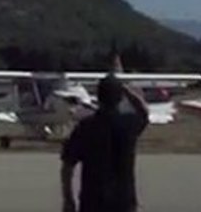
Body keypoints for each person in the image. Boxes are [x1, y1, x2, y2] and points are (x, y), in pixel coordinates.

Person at [60, 73, 150, 212]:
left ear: (98, 97)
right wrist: (126, 90)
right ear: (120, 98)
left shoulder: (85, 127)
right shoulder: (128, 124)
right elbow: (144, 112)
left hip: (92, 201)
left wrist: (68, 198)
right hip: (123, 202)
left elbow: (67, 166)